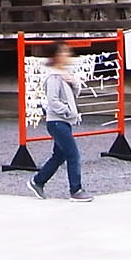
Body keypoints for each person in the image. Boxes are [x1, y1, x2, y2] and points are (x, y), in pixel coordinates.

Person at [28, 40, 92, 202]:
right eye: (63, 52)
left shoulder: (63, 74)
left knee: (59, 156)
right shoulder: (53, 77)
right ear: (56, 56)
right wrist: (68, 111)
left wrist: (73, 82)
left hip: (64, 121)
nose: (67, 55)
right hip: (57, 121)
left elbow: (73, 94)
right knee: (73, 155)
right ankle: (75, 189)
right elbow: (53, 101)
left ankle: (38, 181)